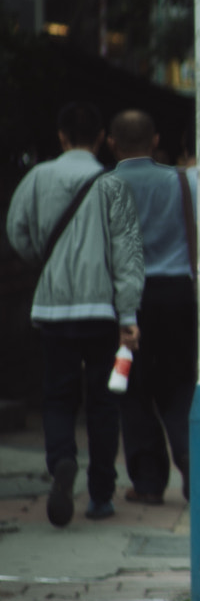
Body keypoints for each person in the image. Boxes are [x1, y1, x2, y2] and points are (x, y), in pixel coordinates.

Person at [5, 101, 144, 527]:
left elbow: (16, 231)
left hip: (53, 307)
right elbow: (127, 256)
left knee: (58, 395)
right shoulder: (113, 185)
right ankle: (101, 494)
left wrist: (43, 264)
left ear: (61, 137)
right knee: (103, 403)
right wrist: (128, 314)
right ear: (102, 138)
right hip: (101, 310)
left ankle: (62, 460)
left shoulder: (38, 178)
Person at [106, 109, 199, 505]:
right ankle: (191, 455)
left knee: (133, 388)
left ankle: (147, 482)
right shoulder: (184, 181)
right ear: (156, 140)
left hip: (129, 302)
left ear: (111, 142)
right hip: (178, 294)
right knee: (179, 384)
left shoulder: (105, 186)